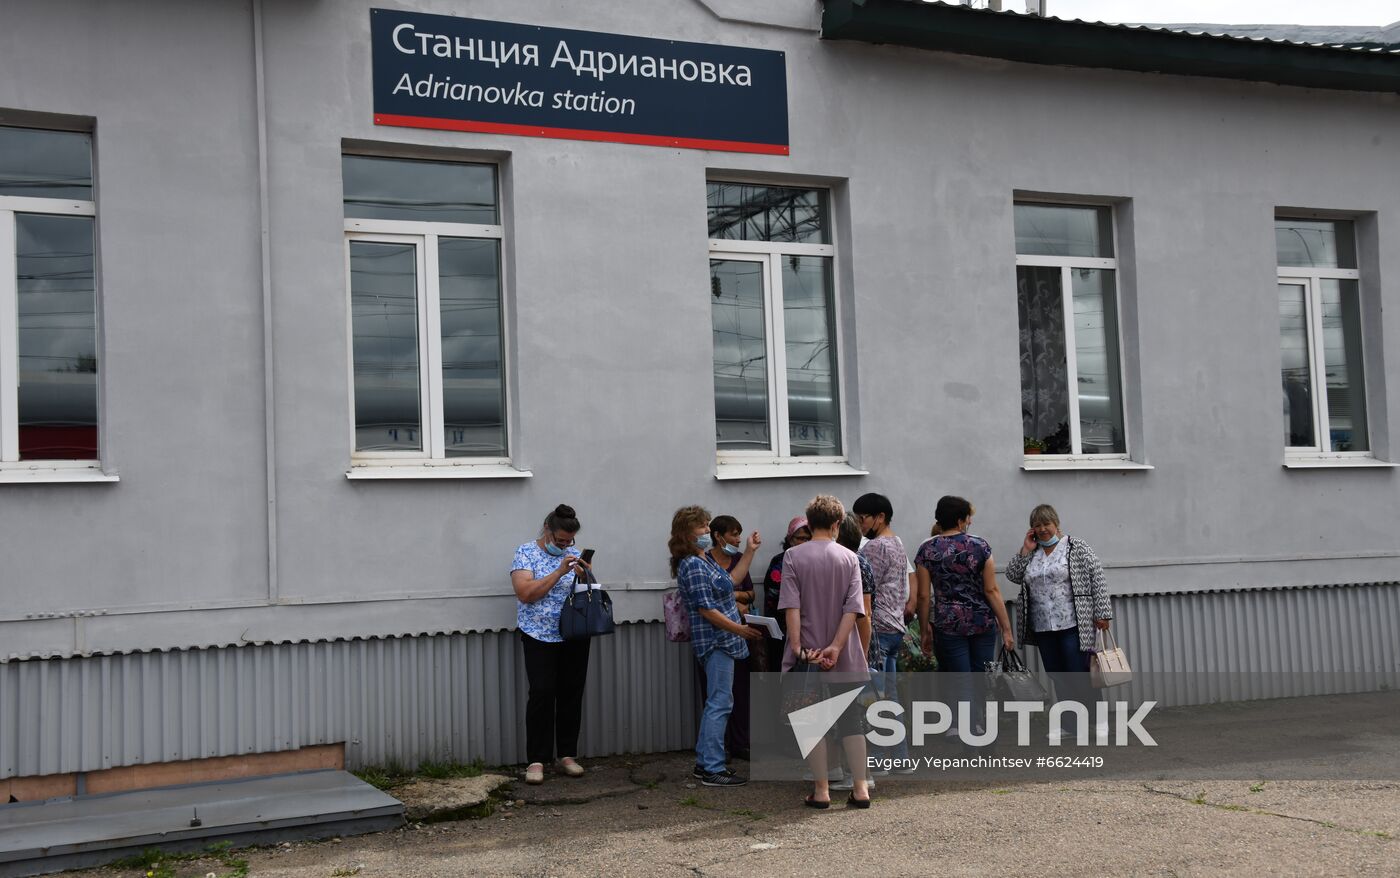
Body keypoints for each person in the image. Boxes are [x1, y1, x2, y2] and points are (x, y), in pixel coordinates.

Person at [780, 495, 871, 809]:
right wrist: (837, 645)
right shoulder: (849, 558)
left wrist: (796, 647)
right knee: (851, 719)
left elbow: (792, 605)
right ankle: (860, 789)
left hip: (808, 650)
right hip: (842, 651)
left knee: (811, 720)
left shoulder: (793, 556)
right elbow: (854, 609)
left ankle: (821, 792)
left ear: (809, 522)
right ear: (836, 525)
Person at [1004, 503, 1114, 743]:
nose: (1043, 529)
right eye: (1037, 525)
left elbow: (1098, 578)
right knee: (1057, 675)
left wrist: (1102, 613)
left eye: (1046, 524)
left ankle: (1097, 722)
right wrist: (1025, 549)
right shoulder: (1032, 552)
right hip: (1044, 627)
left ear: (1056, 524)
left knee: (1079, 674)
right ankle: (1070, 725)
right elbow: (1013, 575)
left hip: (1073, 623)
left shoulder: (1075, 547)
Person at [671, 505, 763, 787]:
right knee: (719, 703)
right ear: (687, 533)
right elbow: (706, 610)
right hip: (716, 642)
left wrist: (749, 551)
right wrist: (740, 629)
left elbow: (732, 581)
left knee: (721, 701)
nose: (707, 532)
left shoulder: (706, 560)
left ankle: (704, 763)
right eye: (702, 527)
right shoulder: (693, 564)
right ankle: (712, 768)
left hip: (726, 641)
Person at [914, 496, 1014, 735]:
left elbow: (924, 596)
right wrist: (1006, 627)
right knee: (982, 678)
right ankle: (982, 728)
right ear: (961, 520)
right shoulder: (981, 546)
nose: (970, 521)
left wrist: (925, 628)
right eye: (968, 517)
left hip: (948, 624)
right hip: (982, 622)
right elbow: (991, 589)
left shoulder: (927, 549)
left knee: (961, 679)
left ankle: (970, 731)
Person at [510, 504, 593, 785]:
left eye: (569, 542)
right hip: (538, 635)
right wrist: (559, 572)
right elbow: (525, 593)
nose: (566, 546)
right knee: (542, 693)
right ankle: (537, 759)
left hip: (573, 634)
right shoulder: (526, 552)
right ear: (547, 530)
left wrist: (585, 578)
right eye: (560, 541)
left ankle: (567, 755)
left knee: (572, 693)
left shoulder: (575, 554)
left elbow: (588, 595)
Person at [852, 492, 914, 768]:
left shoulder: (875, 548)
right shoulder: (896, 542)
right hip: (894, 625)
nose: (859, 524)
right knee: (888, 695)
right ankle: (899, 758)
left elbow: (865, 589)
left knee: (872, 698)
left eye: (862, 518)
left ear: (880, 517)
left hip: (876, 627)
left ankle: (877, 758)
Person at [702, 514, 763, 760]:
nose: (737, 539)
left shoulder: (739, 559)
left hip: (740, 635)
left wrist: (735, 598)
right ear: (718, 536)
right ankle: (717, 749)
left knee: (739, 690)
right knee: (715, 696)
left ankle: (740, 743)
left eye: (739, 534)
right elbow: (714, 595)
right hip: (713, 637)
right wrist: (732, 598)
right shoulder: (703, 561)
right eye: (733, 534)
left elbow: (749, 594)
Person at [761, 516, 812, 670]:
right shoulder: (780, 562)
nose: (805, 543)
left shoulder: (816, 561)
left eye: (809, 539)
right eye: (801, 538)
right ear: (790, 539)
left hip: (810, 630)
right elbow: (774, 596)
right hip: (782, 631)